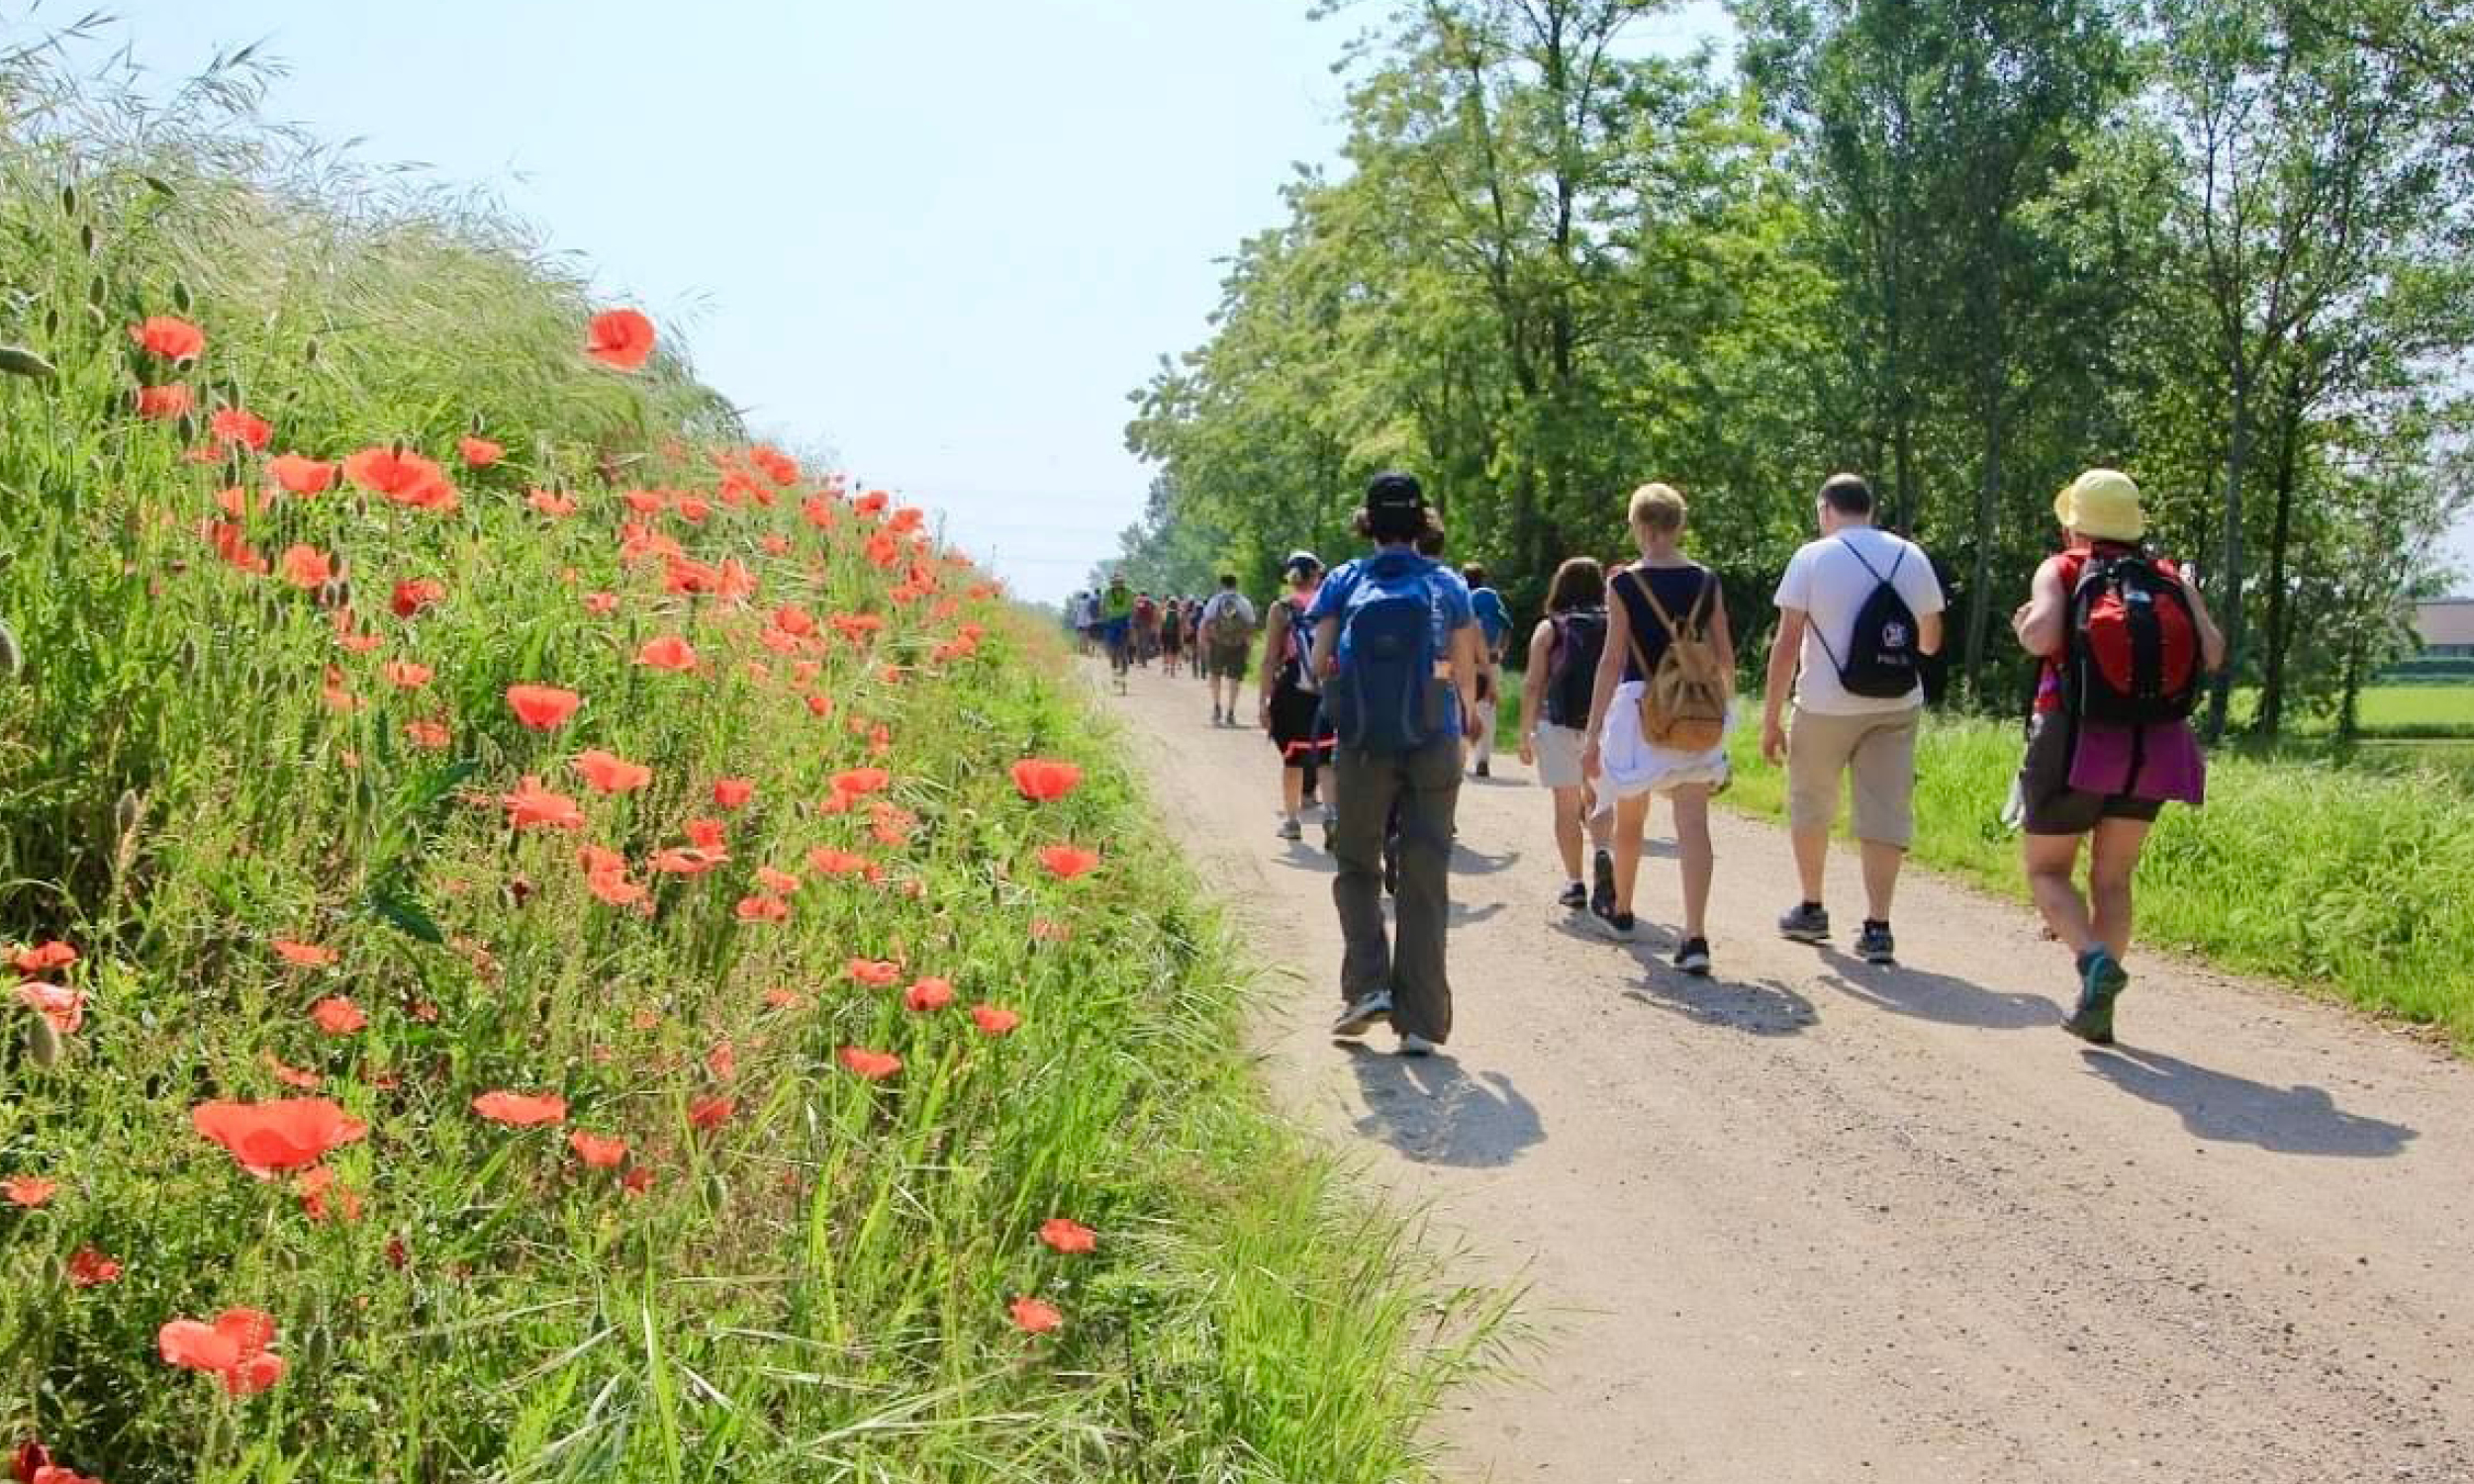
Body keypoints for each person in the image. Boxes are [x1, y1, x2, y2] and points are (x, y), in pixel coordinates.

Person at [2011, 469, 2224, 1044]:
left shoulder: (2063, 568)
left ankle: (2093, 964)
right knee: (2113, 878)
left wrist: (2025, 623)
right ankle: (2097, 1010)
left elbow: (2041, 637)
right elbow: (2213, 651)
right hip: (2155, 745)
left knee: (2048, 870)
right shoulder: (2169, 577)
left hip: (2074, 739)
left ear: (2073, 524)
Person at [1310, 474, 1482, 1057]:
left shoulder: (1344, 580)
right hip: (1434, 738)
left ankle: (1366, 988)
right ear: (1421, 523)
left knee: (1356, 863)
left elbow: (1319, 661)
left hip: (1362, 743)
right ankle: (1421, 1024)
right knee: (1425, 872)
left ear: (1369, 523)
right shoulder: (1447, 584)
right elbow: (1463, 673)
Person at [1760, 473, 1946, 966]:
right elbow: (1929, 642)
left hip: (1824, 702)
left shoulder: (1812, 557)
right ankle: (1878, 926)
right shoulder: (1912, 556)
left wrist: (1771, 717)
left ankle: (1813, 907)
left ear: (1825, 509)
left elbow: (1786, 644)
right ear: (1871, 508)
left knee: (1811, 802)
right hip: (1896, 703)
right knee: (1884, 810)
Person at [1580, 484, 1736, 973]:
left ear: (1641, 527)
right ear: (1679, 526)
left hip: (1638, 708)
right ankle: (1694, 937)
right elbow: (1726, 660)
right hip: (1693, 711)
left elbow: (1610, 661)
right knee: (1693, 823)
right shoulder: (1707, 581)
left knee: (1631, 819)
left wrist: (1591, 734)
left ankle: (1623, 910)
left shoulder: (1624, 584)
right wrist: (1719, 718)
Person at [1516, 557, 1617, 916]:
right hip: (1604, 724)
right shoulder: (1614, 624)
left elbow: (1532, 685)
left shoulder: (1549, 629)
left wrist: (1525, 732)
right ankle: (1603, 852)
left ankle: (1575, 883)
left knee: (1565, 804)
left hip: (1557, 723)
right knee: (1600, 799)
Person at [1258, 553, 1334, 840]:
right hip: (1325, 688)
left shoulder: (1282, 609)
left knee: (1293, 760)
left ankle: (1292, 822)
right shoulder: (1329, 604)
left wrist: (1264, 701)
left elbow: (1269, 659)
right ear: (1317, 575)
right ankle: (1332, 816)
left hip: (1292, 688)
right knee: (1326, 758)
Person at [1465, 564, 1511, 779]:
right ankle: (1483, 760)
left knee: (1463, 707)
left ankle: (1460, 755)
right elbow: (1507, 625)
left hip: (1467, 662)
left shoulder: (1462, 597)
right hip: (1491, 661)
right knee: (1487, 710)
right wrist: (1501, 651)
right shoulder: (1492, 599)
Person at [1200, 574, 1259, 726]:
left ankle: (1216, 706)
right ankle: (1231, 711)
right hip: (1238, 644)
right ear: (1236, 584)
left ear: (1221, 585)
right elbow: (1251, 625)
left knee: (1215, 675)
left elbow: (1206, 622)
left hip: (1217, 643)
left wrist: (1205, 642)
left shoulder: (1215, 601)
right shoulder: (1244, 602)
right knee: (1234, 678)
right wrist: (1248, 647)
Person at [1098, 576, 1136, 690]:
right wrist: (1103, 619)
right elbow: (1103, 608)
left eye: (1120, 582)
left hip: (1125, 620)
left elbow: (1133, 607)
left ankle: (1132, 649)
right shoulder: (1107, 593)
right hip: (1112, 622)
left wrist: (1132, 619)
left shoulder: (1129, 592)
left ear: (1123, 582)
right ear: (1112, 583)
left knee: (1124, 649)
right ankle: (1115, 672)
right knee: (1113, 652)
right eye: (1115, 583)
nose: (1118, 584)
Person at [1159, 593, 1186, 678]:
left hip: (1165, 634)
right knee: (1174, 652)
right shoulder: (1179, 614)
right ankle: (1172, 669)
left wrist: (1159, 634)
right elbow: (1181, 627)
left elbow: (1161, 625)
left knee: (1165, 650)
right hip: (1175, 635)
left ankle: (1166, 666)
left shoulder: (1164, 612)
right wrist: (1181, 637)